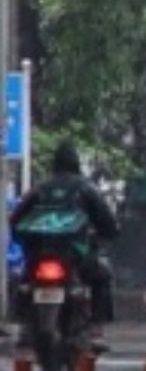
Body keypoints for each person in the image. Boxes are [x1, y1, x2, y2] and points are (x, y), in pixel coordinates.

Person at [11, 142, 120, 333]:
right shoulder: (86, 188)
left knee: (24, 282)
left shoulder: (39, 188)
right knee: (102, 275)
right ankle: (96, 326)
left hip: (39, 254)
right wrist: (104, 236)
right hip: (76, 254)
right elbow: (107, 223)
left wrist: (27, 242)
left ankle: (23, 325)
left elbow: (16, 220)